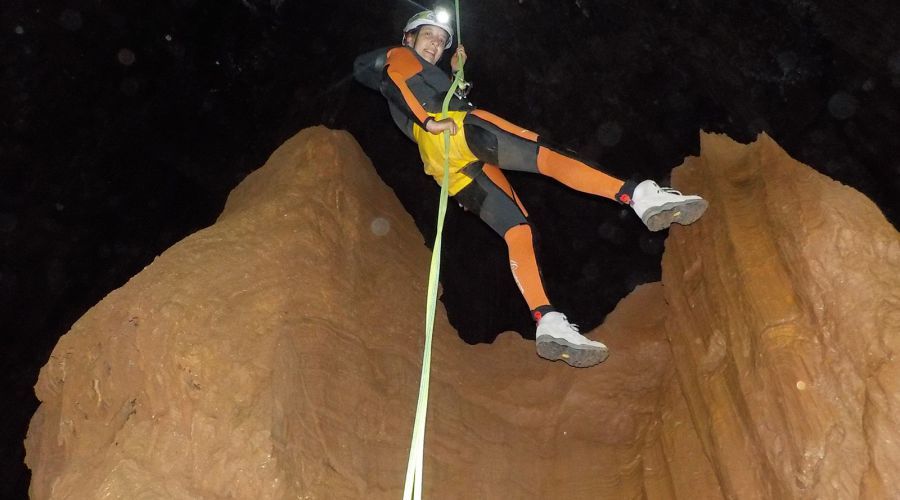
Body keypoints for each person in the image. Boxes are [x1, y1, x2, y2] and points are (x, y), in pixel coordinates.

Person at [353, 9, 707, 368]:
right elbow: (394, 79)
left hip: (449, 169)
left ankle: (547, 320)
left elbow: (411, 88)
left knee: (517, 228)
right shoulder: (399, 56)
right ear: (408, 38)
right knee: (547, 156)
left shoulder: (429, 74)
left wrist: (454, 80)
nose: (435, 44)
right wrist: (430, 120)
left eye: (441, 41)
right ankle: (640, 194)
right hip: (456, 131)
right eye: (428, 35)